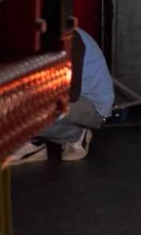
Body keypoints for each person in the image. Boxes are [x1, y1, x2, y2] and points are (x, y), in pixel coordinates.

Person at [9, 26, 115, 164]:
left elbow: (71, 93)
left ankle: (74, 135)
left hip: (92, 106)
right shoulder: (35, 37)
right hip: (70, 98)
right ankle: (33, 144)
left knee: (27, 107)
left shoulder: (71, 39)